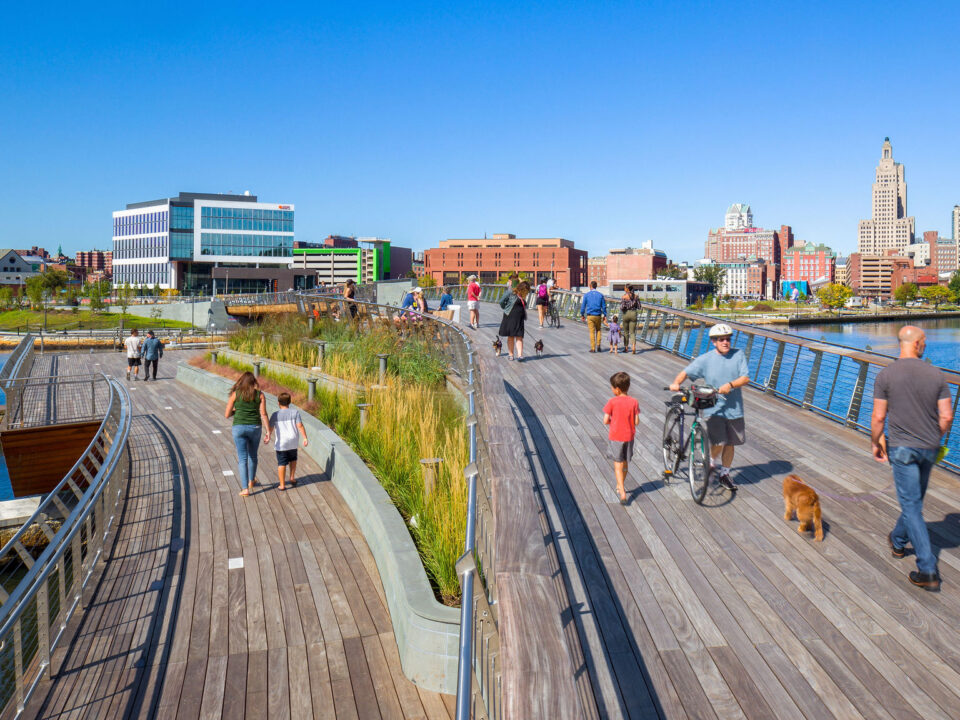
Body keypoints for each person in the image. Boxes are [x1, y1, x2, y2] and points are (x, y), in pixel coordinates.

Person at [871, 325, 952, 591]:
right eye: (925, 340)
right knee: (913, 502)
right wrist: (935, 436)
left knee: (912, 506)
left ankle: (927, 569)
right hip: (929, 447)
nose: (926, 344)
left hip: (903, 448)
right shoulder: (937, 374)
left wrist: (876, 442)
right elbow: (947, 416)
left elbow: (879, 417)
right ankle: (897, 540)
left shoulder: (886, 375)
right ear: (916, 343)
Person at [669, 323, 749, 491]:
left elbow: (745, 378)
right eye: (721, 340)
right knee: (719, 441)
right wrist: (676, 383)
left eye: (728, 339)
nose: (725, 342)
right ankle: (711, 463)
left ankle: (724, 474)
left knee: (731, 443)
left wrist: (730, 384)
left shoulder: (738, 355)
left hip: (735, 409)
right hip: (713, 407)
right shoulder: (705, 359)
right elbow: (686, 372)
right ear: (714, 342)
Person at [225, 371, 271, 497]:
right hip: (255, 427)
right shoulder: (260, 395)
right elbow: (263, 414)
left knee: (242, 459)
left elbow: (227, 414)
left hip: (239, 428)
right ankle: (252, 481)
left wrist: (236, 411)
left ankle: (245, 489)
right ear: (253, 382)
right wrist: (268, 431)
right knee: (253, 455)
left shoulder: (235, 394)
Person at [603, 372, 640, 504]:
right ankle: (620, 485)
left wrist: (613, 421)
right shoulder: (634, 402)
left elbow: (606, 420)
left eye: (612, 387)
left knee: (617, 465)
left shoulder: (612, 402)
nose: (611, 389)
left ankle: (622, 491)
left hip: (616, 437)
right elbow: (636, 422)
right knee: (624, 464)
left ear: (617, 389)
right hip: (629, 437)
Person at [269, 392, 309, 491]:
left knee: (281, 463)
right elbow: (300, 426)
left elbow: (270, 428)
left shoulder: (275, 415)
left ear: (278, 403)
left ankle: (282, 485)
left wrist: (268, 435)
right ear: (289, 402)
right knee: (293, 459)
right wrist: (305, 437)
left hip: (282, 443)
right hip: (293, 441)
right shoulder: (295, 412)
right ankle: (292, 477)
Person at [498, 281, 530, 361]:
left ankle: (520, 355)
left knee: (519, 336)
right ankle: (511, 354)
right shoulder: (510, 292)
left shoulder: (522, 296)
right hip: (509, 317)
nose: (527, 293)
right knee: (511, 336)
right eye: (526, 291)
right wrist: (506, 308)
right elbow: (501, 302)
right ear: (523, 289)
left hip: (519, 319)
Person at [580, 281, 607, 352]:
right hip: (598, 315)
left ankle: (593, 348)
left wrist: (582, 314)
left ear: (590, 286)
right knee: (598, 330)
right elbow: (604, 306)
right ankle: (598, 345)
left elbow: (583, 306)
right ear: (596, 286)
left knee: (592, 332)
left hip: (590, 315)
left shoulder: (586, 295)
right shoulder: (600, 295)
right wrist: (605, 315)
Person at [620, 285, 641, 353]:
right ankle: (633, 347)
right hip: (633, 314)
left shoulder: (624, 297)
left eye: (624, 288)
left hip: (626, 314)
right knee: (632, 332)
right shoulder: (636, 296)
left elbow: (622, 307)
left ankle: (626, 348)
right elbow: (639, 307)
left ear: (627, 289)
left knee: (626, 332)